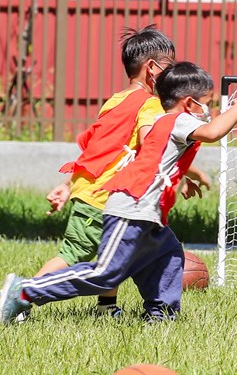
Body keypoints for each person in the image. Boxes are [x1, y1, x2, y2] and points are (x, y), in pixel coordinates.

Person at [0, 62, 237, 324]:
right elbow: (213, 132)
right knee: (106, 273)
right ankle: (24, 291)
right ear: (190, 103)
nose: (210, 111)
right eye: (208, 103)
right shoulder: (178, 120)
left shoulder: (171, 120)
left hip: (150, 214)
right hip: (131, 208)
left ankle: (162, 316)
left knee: (169, 258)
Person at [31, 25, 177, 319]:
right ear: (152, 68)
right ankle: (23, 293)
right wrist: (185, 168)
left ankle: (106, 307)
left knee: (113, 253)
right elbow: (154, 142)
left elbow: (101, 151)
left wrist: (69, 184)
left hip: (91, 190)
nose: (173, 76)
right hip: (105, 197)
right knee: (75, 255)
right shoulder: (150, 106)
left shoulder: (117, 100)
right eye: (169, 68)